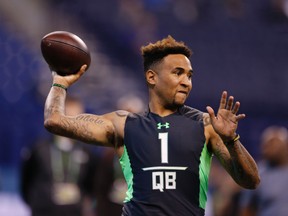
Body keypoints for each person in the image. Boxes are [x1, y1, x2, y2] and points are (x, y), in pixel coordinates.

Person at [43, 35, 260, 216]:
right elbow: (54, 122)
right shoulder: (123, 124)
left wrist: (232, 140)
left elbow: (251, 181)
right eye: (178, 73)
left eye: (189, 75)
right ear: (151, 77)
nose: (187, 81)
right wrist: (60, 83)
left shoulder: (205, 125)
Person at [20, 96, 99, 216]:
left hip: (75, 212)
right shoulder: (40, 149)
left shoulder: (87, 153)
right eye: (70, 116)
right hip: (44, 211)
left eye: (79, 117)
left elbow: (91, 186)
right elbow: (26, 182)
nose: (75, 122)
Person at [239, 126, 288, 216]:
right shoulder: (255, 173)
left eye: (274, 143)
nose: (269, 148)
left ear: (285, 146)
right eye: (266, 145)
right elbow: (247, 209)